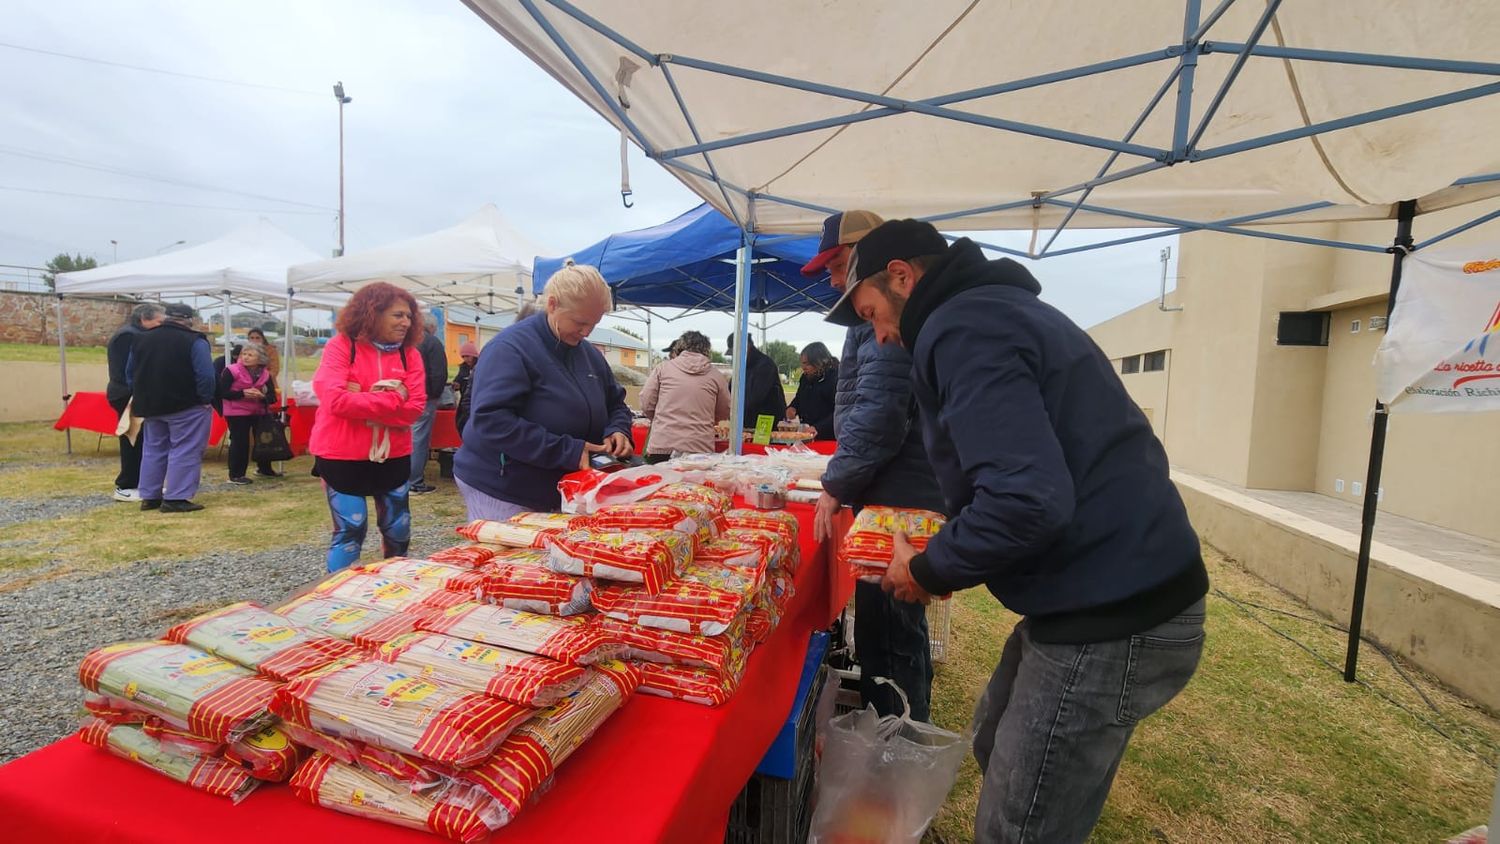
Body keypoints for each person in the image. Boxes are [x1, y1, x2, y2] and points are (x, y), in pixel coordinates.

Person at [827, 219, 1208, 843]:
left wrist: (926, 569)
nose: (883, 336)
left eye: (873, 315)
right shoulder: (988, 311)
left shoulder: (963, 328)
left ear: (902, 276)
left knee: (1021, 821)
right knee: (994, 738)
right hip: (1096, 589)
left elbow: (1027, 499)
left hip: (1115, 610)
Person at [803, 209, 945, 722]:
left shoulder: (887, 320)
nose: (832, 278)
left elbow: (880, 410)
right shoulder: (869, 318)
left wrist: (835, 483)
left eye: (838, 264)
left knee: (891, 636)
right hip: (892, 489)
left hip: (900, 496)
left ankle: (897, 741)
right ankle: (892, 731)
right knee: (888, 632)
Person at [453, 263, 633, 519]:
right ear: (552, 304)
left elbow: (616, 403)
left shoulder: (589, 354)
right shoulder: (510, 349)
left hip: (562, 487)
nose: (586, 332)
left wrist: (618, 429)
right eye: (580, 322)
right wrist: (567, 451)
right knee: (513, 558)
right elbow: (491, 421)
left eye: (594, 323)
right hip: (505, 486)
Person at [308, 282, 426, 572]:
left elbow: (414, 408)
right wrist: (391, 399)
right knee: (350, 529)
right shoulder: (341, 346)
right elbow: (335, 400)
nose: (406, 322)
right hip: (341, 454)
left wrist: (361, 397)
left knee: (398, 530)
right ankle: (338, 596)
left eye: (409, 316)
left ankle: (396, 585)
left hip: (393, 455)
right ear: (373, 312)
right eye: (398, 315)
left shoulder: (409, 354)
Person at [128, 303, 215, 513]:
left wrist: (142, 395)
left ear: (166, 317)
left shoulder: (140, 338)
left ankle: (150, 496)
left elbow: (130, 374)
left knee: (153, 449)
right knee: (185, 449)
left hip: (151, 404)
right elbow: (206, 374)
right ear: (189, 319)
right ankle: (176, 497)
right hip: (186, 404)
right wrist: (205, 398)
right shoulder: (195, 340)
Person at [639, 330, 730, 462]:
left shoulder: (662, 369)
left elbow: (646, 404)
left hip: (663, 446)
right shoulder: (716, 376)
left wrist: (662, 419)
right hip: (700, 449)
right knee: (695, 483)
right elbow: (724, 411)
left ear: (679, 348)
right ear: (707, 350)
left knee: (660, 482)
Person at [105, 302, 164, 502]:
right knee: (132, 437)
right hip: (126, 393)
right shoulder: (128, 336)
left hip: (133, 392)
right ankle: (127, 484)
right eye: (158, 321)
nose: (160, 326)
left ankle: (142, 482)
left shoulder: (134, 334)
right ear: (144, 319)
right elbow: (130, 370)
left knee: (142, 439)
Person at [217, 343, 280, 485]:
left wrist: (262, 396)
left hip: (258, 411)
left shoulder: (265, 374)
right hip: (236, 411)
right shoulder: (231, 370)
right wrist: (242, 393)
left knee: (264, 440)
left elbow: (272, 396)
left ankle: (264, 468)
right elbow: (222, 392)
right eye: (244, 354)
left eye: (250, 355)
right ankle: (236, 475)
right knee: (240, 442)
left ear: (260, 358)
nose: (245, 357)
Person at [408, 314, 448, 495]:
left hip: (406, 395)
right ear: (432, 327)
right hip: (425, 398)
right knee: (419, 439)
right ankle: (414, 482)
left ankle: (404, 479)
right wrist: (436, 394)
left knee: (407, 437)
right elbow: (439, 373)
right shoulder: (432, 343)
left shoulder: (408, 341)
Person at [724, 332, 786, 428]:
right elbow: (731, 388)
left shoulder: (765, 365)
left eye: (735, 353)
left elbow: (755, 397)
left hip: (766, 422)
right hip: (748, 421)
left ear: (746, 347)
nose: (734, 357)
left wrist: (734, 409)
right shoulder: (742, 366)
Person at [786, 341, 838, 440]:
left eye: (807, 364)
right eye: (802, 363)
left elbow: (838, 412)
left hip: (829, 436)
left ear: (820, 361)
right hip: (807, 434)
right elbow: (799, 397)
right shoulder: (805, 378)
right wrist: (792, 407)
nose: (803, 368)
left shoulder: (835, 378)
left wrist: (818, 428)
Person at [451, 341, 479, 437]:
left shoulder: (481, 366)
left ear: (474, 355)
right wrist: (456, 383)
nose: (465, 359)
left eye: (468, 356)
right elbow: (458, 378)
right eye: (463, 356)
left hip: (476, 401)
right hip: (465, 402)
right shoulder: (463, 368)